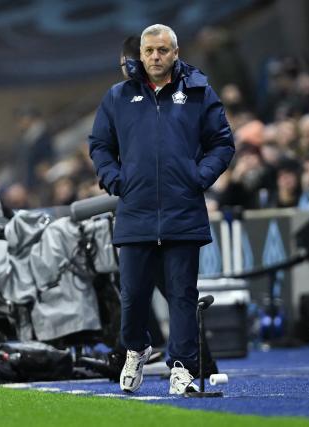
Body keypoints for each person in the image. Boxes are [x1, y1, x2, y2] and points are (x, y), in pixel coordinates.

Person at [89, 24, 234, 395]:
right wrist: (115, 179)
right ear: (140, 55)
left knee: (182, 296)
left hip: (182, 210)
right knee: (133, 297)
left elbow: (222, 142)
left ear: (175, 52)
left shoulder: (199, 91)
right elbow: (100, 145)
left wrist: (198, 178)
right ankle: (137, 349)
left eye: (163, 51)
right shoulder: (118, 96)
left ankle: (181, 369)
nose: (156, 57)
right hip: (135, 210)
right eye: (150, 51)